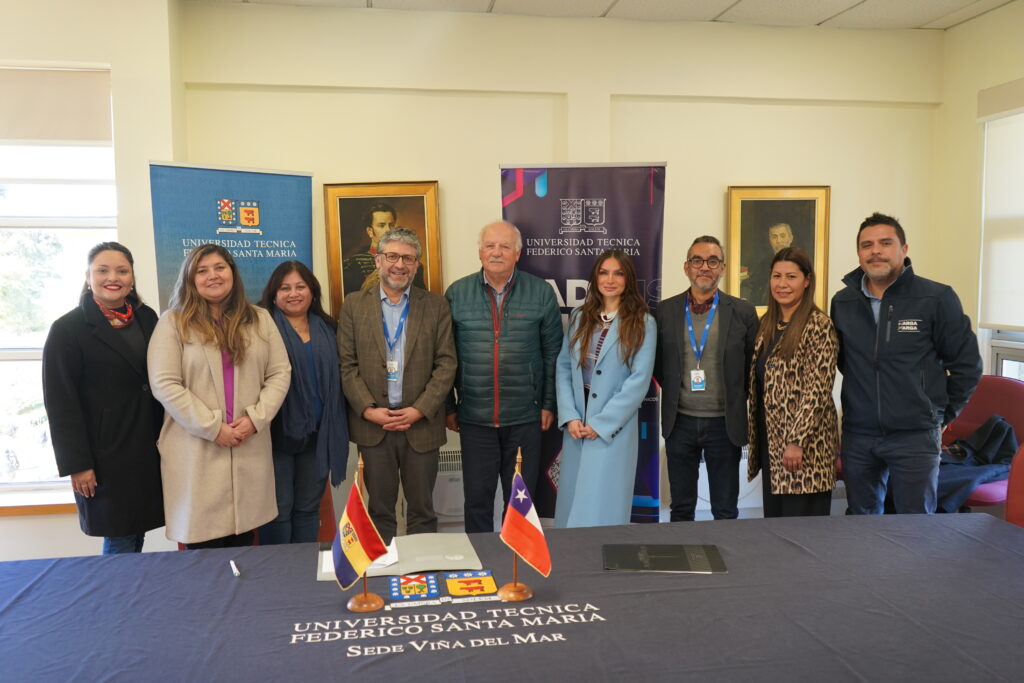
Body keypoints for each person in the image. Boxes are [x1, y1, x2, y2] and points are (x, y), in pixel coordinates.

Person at [831, 212, 982, 514]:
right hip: (859, 435)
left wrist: (939, 415)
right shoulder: (842, 302)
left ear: (904, 249)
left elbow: (967, 366)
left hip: (915, 436)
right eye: (867, 245)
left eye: (885, 243)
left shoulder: (936, 298)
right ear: (858, 253)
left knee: (915, 527)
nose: (875, 251)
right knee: (861, 524)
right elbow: (847, 362)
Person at [148, 244, 291, 548]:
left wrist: (255, 419)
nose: (212, 275)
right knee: (203, 553)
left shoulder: (260, 319)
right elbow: (165, 383)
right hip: (197, 450)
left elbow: (280, 373)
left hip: (247, 443)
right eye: (202, 270)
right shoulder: (172, 323)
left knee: (244, 546)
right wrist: (213, 428)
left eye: (219, 267)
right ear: (191, 279)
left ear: (232, 273)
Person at [42, 242, 164, 554]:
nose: (113, 277)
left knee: (136, 531)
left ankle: (130, 587)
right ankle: (119, 589)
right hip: (103, 455)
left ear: (132, 278)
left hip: (146, 446)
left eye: (122, 271)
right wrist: (78, 464)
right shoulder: (67, 329)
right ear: (88, 277)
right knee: (119, 534)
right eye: (102, 270)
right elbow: (60, 404)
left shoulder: (147, 317)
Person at [338, 227, 456, 544]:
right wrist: (367, 410)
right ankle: (383, 568)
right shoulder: (353, 305)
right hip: (374, 427)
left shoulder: (436, 306)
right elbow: (346, 365)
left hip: (420, 425)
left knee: (422, 510)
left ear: (416, 265)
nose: (399, 265)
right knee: (379, 511)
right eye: (392, 256)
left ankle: (421, 570)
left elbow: (446, 364)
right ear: (378, 260)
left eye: (408, 258)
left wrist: (419, 410)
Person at [445, 220, 563, 533]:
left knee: (521, 501)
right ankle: (480, 559)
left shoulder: (540, 293)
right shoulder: (456, 293)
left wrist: (548, 403)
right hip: (475, 418)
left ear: (517, 253)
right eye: (490, 245)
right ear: (480, 252)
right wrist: (448, 406)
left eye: (505, 246)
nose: (496, 252)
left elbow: (553, 354)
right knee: (477, 501)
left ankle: (518, 558)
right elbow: (444, 357)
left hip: (525, 418)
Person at [654, 235, 758, 521]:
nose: (704, 267)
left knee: (725, 509)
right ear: (686, 267)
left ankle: (727, 551)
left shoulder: (743, 312)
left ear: (722, 268)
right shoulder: (665, 311)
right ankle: (683, 550)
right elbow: (658, 364)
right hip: (680, 422)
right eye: (697, 260)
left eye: (713, 261)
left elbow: (752, 366)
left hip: (724, 424)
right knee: (681, 507)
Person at [554, 250, 656, 528]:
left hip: (612, 428)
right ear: (595, 277)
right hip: (577, 421)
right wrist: (570, 415)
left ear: (628, 279)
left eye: (618, 273)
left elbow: (638, 381)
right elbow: (564, 367)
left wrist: (601, 424)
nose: (610, 280)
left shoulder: (643, 322)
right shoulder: (579, 317)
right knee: (572, 503)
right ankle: (570, 552)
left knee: (603, 505)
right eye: (604, 273)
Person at [257, 261, 349, 545]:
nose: (293, 293)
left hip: (319, 435)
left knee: (308, 509)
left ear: (312, 291)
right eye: (285, 288)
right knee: (278, 510)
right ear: (274, 294)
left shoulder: (329, 328)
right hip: (275, 436)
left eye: (300, 286)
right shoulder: (259, 328)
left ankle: (303, 568)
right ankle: (278, 568)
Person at [747, 247, 839, 517]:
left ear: (807, 280)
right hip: (772, 444)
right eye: (777, 276)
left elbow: (817, 391)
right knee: (776, 528)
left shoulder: (819, 325)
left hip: (805, 449)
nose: (782, 284)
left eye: (791, 276)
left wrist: (796, 441)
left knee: (803, 531)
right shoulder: (767, 324)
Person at [342, 202, 426, 295]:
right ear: (370, 231)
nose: (388, 230)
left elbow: (421, 298)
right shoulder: (354, 264)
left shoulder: (413, 264)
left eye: (391, 225)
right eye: (381, 225)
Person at [741, 222, 795, 306]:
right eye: (774, 237)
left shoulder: (800, 262)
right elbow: (749, 284)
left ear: (790, 238)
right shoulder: (764, 263)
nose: (778, 241)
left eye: (782, 236)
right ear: (770, 240)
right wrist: (744, 298)